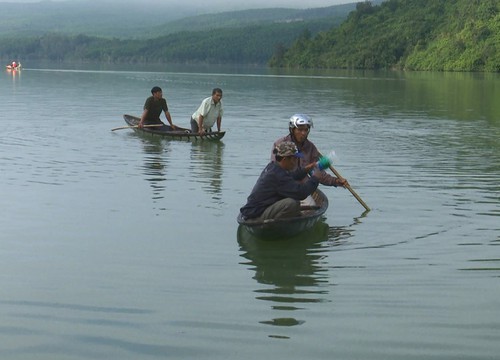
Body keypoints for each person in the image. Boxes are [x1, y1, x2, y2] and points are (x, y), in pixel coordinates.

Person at [240, 141, 321, 221]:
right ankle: (273, 225)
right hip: (256, 215)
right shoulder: (277, 175)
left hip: (254, 211)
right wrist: (315, 178)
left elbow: (291, 176)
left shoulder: (273, 167)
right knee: (292, 203)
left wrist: (305, 169)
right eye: (295, 158)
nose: (296, 161)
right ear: (285, 159)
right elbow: (301, 193)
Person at [271, 113, 349, 188]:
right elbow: (275, 170)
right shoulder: (280, 144)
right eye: (300, 130)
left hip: (303, 185)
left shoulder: (310, 148)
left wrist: (336, 181)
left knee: (319, 200)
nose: (303, 133)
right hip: (283, 186)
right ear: (292, 130)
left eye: (306, 130)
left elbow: (317, 172)